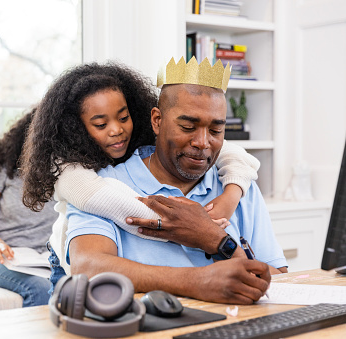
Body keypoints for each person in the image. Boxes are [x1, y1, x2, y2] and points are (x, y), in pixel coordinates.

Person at [20, 61, 261, 292]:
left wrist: (232, 194)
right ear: (76, 129)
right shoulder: (72, 174)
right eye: (101, 125)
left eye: (123, 118)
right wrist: (188, 225)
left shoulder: (150, 135)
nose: (117, 130)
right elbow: (113, 205)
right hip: (62, 263)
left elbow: (233, 153)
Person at [64, 57, 288, 305]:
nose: (203, 142)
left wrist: (217, 241)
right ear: (157, 121)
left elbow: (281, 281)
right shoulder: (104, 187)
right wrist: (198, 281)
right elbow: (87, 267)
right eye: (188, 127)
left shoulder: (238, 187)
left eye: (216, 131)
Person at [0, 108, 58, 307]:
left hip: (44, 261)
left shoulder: (63, 172)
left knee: (75, 288)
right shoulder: (2, 170)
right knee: (40, 289)